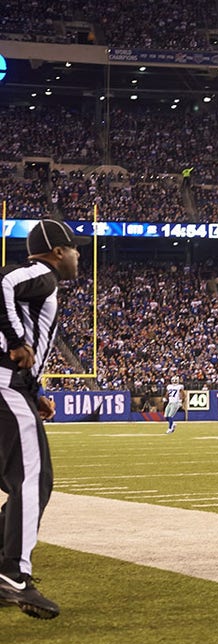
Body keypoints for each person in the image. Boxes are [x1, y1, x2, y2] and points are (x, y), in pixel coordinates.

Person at [0, 218, 87, 620]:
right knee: (34, 478)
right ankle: (13, 573)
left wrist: (34, 392)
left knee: (22, 480)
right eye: (73, 249)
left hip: (15, 388)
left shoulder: (42, 283)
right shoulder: (42, 275)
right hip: (4, 385)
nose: (78, 255)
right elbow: (1, 284)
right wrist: (16, 343)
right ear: (57, 251)